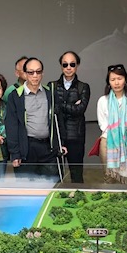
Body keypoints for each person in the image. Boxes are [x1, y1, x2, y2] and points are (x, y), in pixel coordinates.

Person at [5, 57, 66, 181]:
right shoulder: (15, 96)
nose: (35, 76)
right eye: (31, 72)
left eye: (38, 72)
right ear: (25, 74)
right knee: (27, 187)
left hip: (48, 147)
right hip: (27, 148)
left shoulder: (50, 93)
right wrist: (15, 153)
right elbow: (11, 126)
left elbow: (58, 120)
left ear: (42, 73)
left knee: (52, 185)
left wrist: (61, 143)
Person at [98, 64, 127, 183]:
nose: (116, 83)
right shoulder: (103, 100)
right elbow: (102, 123)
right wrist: (115, 134)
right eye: (113, 79)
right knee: (108, 177)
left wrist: (124, 134)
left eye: (119, 78)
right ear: (108, 82)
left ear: (125, 80)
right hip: (108, 141)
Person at [50, 51, 90, 183]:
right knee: (55, 176)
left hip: (76, 137)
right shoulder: (52, 86)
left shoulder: (83, 87)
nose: (68, 67)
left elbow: (80, 110)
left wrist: (60, 104)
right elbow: (52, 109)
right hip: (57, 137)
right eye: (65, 64)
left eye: (72, 64)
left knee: (77, 176)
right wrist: (71, 106)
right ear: (61, 66)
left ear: (77, 65)